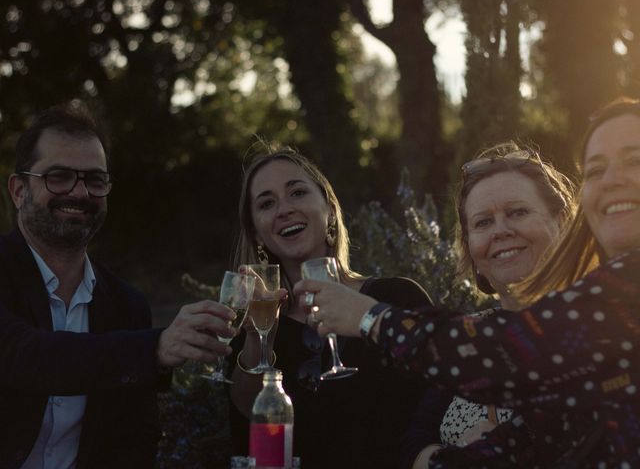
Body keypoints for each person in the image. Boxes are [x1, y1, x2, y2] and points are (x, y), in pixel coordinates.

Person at [294, 97, 640, 467]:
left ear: (562, 220)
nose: (613, 180)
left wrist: (371, 317)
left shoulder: (615, 301)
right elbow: (527, 443)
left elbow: (502, 356)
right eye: (596, 170)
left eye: (634, 161)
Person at [1, 103, 236, 469]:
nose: (80, 193)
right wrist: (155, 347)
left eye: (95, 180)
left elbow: (136, 441)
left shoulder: (127, 306)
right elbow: (25, 357)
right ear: (18, 190)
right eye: (59, 176)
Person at [228, 146, 433, 469]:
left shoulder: (397, 297)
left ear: (330, 211)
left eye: (297, 192)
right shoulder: (256, 326)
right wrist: (257, 336)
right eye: (267, 203)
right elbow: (249, 418)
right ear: (257, 234)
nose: (284, 209)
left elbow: (439, 403)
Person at [402, 142, 576, 468]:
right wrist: (452, 458)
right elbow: (413, 447)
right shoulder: (464, 340)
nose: (501, 231)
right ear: (472, 251)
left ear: (561, 222)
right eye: (483, 222)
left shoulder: (606, 325)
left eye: (517, 212)